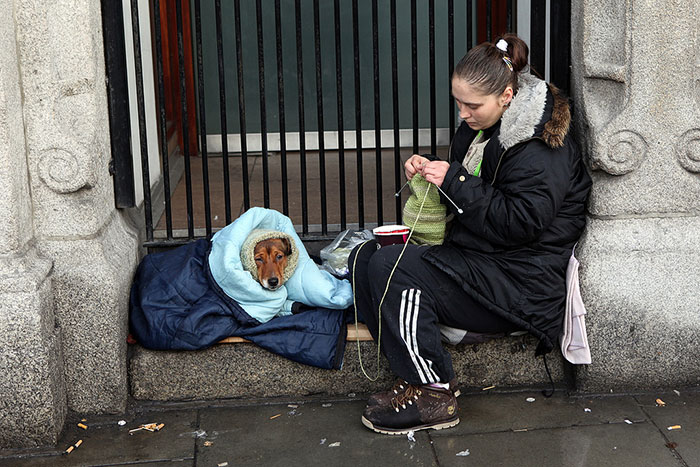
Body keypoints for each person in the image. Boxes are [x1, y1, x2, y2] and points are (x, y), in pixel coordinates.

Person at [349, 33, 592, 435]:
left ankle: (434, 392)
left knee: (395, 267)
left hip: (521, 284)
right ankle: (411, 372)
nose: (462, 113)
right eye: (458, 102)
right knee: (366, 256)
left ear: (507, 95)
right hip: (483, 261)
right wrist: (433, 174)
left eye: (472, 105)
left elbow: (522, 223)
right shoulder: (485, 125)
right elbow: (474, 189)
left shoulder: (537, 148)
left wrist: (456, 180)